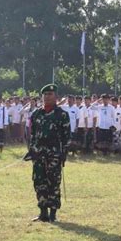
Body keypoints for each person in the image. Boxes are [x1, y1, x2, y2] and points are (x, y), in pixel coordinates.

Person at [24, 84, 70, 222]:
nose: (47, 97)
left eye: (50, 94)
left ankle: (53, 213)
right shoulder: (36, 114)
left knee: (53, 183)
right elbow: (32, 135)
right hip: (38, 155)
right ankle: (42, 212)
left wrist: (63, 154)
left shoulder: (62, 115)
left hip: (54, 155)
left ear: (56, 97)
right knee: (39, 182)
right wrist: (31, 150)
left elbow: (66, 136)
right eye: (45, 95)